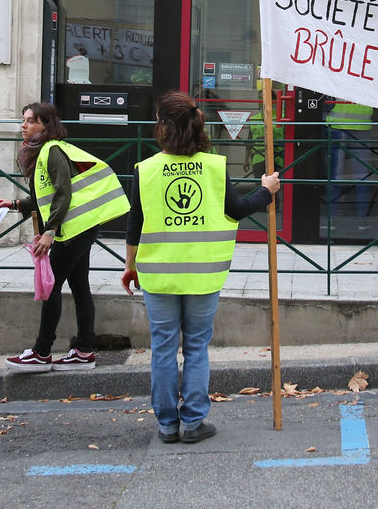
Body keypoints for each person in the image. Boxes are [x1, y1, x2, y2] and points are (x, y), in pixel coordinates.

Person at [120, 91, 280, 444]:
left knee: (163, 349)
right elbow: (237, 210)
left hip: (158, 275)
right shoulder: (214, 167)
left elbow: (135, 224)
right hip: (203, 275)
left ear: (162, 125)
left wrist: (130, 266)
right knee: (195, 347)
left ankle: (166, 425)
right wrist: (266, 190)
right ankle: (193, 422)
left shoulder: (146, 170)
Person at [0, 101, 130, 373]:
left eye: (31, 121)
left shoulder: (51, 150)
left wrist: (50, 231)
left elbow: (63, 193)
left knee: (51, 287)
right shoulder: (43, 150)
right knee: (79, 287)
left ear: (45, 125)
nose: (23, 125)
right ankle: (84, 351)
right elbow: (45, 196)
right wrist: (15, 204)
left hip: (73, 230)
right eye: (23, 120)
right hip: (79, 227)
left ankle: (42, 352)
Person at [326, 98, 374, 218]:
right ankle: (363, 219)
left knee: (335, 175)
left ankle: (331, 218)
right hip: (362, 125)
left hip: (338, 125)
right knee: (362, 175)